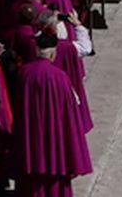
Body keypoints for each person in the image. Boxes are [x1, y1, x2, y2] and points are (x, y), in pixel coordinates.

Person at [13, 33, 92, 195]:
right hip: (53, 132)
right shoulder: (60, 77)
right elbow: (69, 109)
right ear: (53, 54)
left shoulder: (24, 73)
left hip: (31, 131)